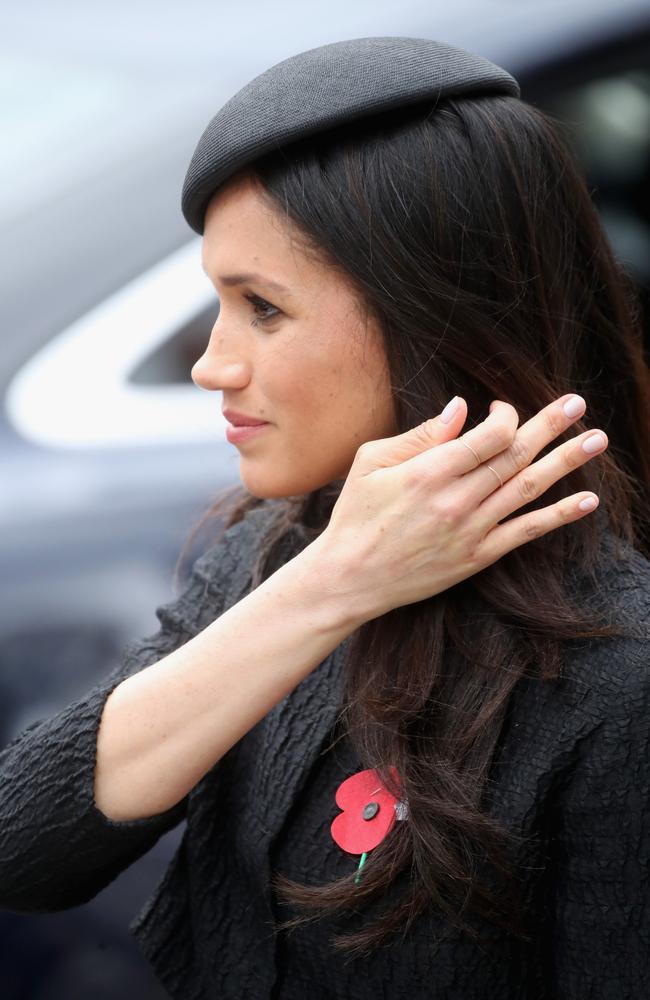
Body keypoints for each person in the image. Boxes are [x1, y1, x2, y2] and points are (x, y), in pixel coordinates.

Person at [1, 35, 650, 1000]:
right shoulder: (282, 545)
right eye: (215, 303)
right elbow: (27, 846)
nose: (212, 363)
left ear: (433, 315)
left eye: (262, 308)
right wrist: (329, 586)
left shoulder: (618, 677)